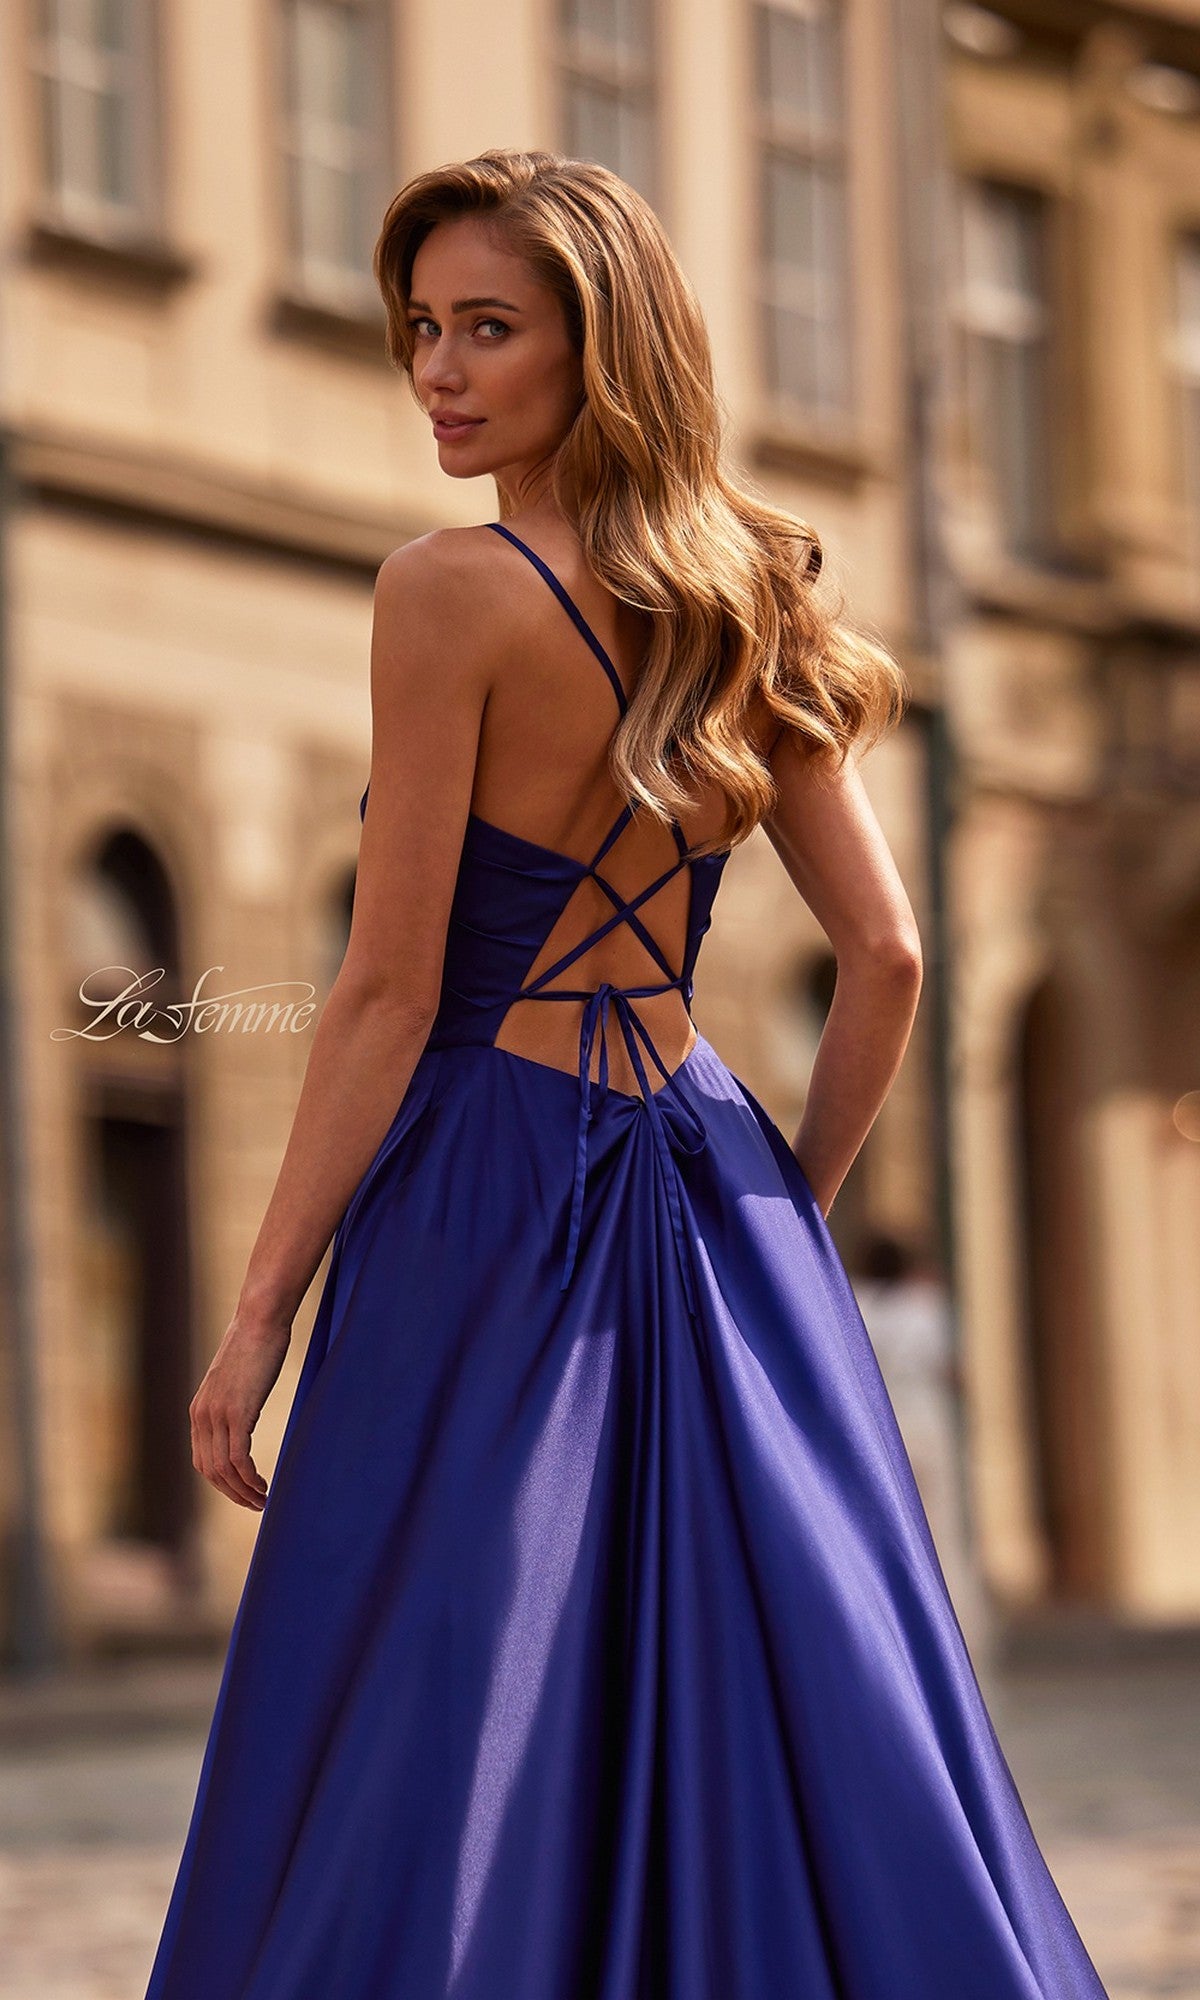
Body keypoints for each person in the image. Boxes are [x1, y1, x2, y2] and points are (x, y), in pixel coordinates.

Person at [145, 149, 1108, 1998]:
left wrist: (261, 1306)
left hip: (486, 1182)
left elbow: (382, 992)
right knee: (759, 1672)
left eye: (489, 329)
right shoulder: (745, 597)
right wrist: (786, 1228)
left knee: (443, 1665)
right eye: (421, 328)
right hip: (707, 1173)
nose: (439, 369)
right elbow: (890, 960)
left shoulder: (450, 593)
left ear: (609, 348)